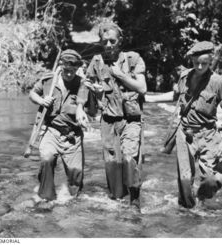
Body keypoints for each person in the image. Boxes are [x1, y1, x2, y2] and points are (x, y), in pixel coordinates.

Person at [76, 22, 147, 210]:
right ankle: (118, 202)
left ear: (120, 41)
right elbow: (85, 84)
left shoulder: (133, 59)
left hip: (130, 120)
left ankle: (134, 204)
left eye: (112, 41)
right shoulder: (96, 61)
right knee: (112, 166)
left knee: (129, 158)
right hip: (108, 121)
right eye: (104, 41)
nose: (108, 45)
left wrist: (121, 75)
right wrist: (80, 108)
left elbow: (142, 88)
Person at [175, 41, 222, 208]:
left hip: (208, 134)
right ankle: (188, 211)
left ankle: (201, 200)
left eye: (205, 63)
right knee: (185, 180)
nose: (200, 66)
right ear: (192, 61)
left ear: (211, 61)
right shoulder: (184, 76)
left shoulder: (218, 81)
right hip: (185, 134)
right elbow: (176, 96)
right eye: (196, 63)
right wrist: (150, 98)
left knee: (212, 180)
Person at [29, 49, 87, 202]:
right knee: (47, 159)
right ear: (61, 66)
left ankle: (74, 202)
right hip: (51, 130)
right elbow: (32, 94)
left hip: (72, 135)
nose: (69, 74)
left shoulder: (82, 84)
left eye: (73, 70)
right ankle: (46, 198)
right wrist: (41, 101)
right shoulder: (48, 80)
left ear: (78, 68)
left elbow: (91, 108)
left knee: (76, 176)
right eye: (66, 70)